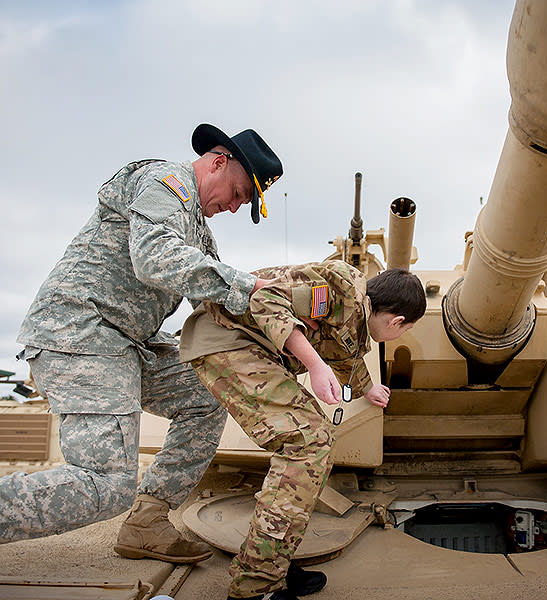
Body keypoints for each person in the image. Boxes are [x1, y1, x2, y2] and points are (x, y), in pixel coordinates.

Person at [0, 123, 283, 565]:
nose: (233, 206)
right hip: (82, 331)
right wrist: (249, 288)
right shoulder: (164, 182)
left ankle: (148, 521)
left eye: (243, 202)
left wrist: (286, 327)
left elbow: (213, 301)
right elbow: (155, 258)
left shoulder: (198, 230)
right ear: (219, 161)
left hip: (131, 343)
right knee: (107, 483)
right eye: (238, 193)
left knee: (209, 391)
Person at [179, 260, 426, 600]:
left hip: (248, 350)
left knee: (317, 441)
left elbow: (343, 355)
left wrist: (366, 388)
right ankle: (256, 585)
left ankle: (271, 560)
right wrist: (313, 364)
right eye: (404, 330)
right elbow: (264, 300)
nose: (401, 335)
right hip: (227, 341)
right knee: (309, 441)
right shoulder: (341, 290)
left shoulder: (354, 320)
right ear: (397, 321)